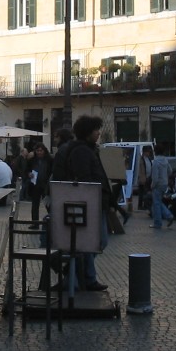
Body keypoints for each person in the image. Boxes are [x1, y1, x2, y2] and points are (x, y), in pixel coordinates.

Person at [67, 115, 111, 291]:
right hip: (91, 202)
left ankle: (88, 276)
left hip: (96, 201)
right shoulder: (82, 152)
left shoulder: (89, 149)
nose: (99, 133)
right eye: (95, 130)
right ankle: (87, 276)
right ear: (87, 132)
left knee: (96, 242)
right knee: (98, 241)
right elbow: (86, 179)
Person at [150, 145, 176, 228]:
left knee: (156, 203)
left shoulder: (156, 162)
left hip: (158, 184)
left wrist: (152, 185)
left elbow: (155, 177)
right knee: (158, 202)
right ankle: (168, 215)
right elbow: (170, 171)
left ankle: (158, 223)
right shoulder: (165, 160)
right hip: (165, 183)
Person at [26, 144, 52, 222]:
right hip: (35, 185)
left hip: (46, 185)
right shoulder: (32, 160)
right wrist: (29, 174)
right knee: (35, 204)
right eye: (38, 150)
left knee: (48, 204)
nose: (39, 152)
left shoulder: (49, 160)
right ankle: (35, 222)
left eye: (41, 150)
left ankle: (51, 219)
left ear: (44, 151)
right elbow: (26, 170)